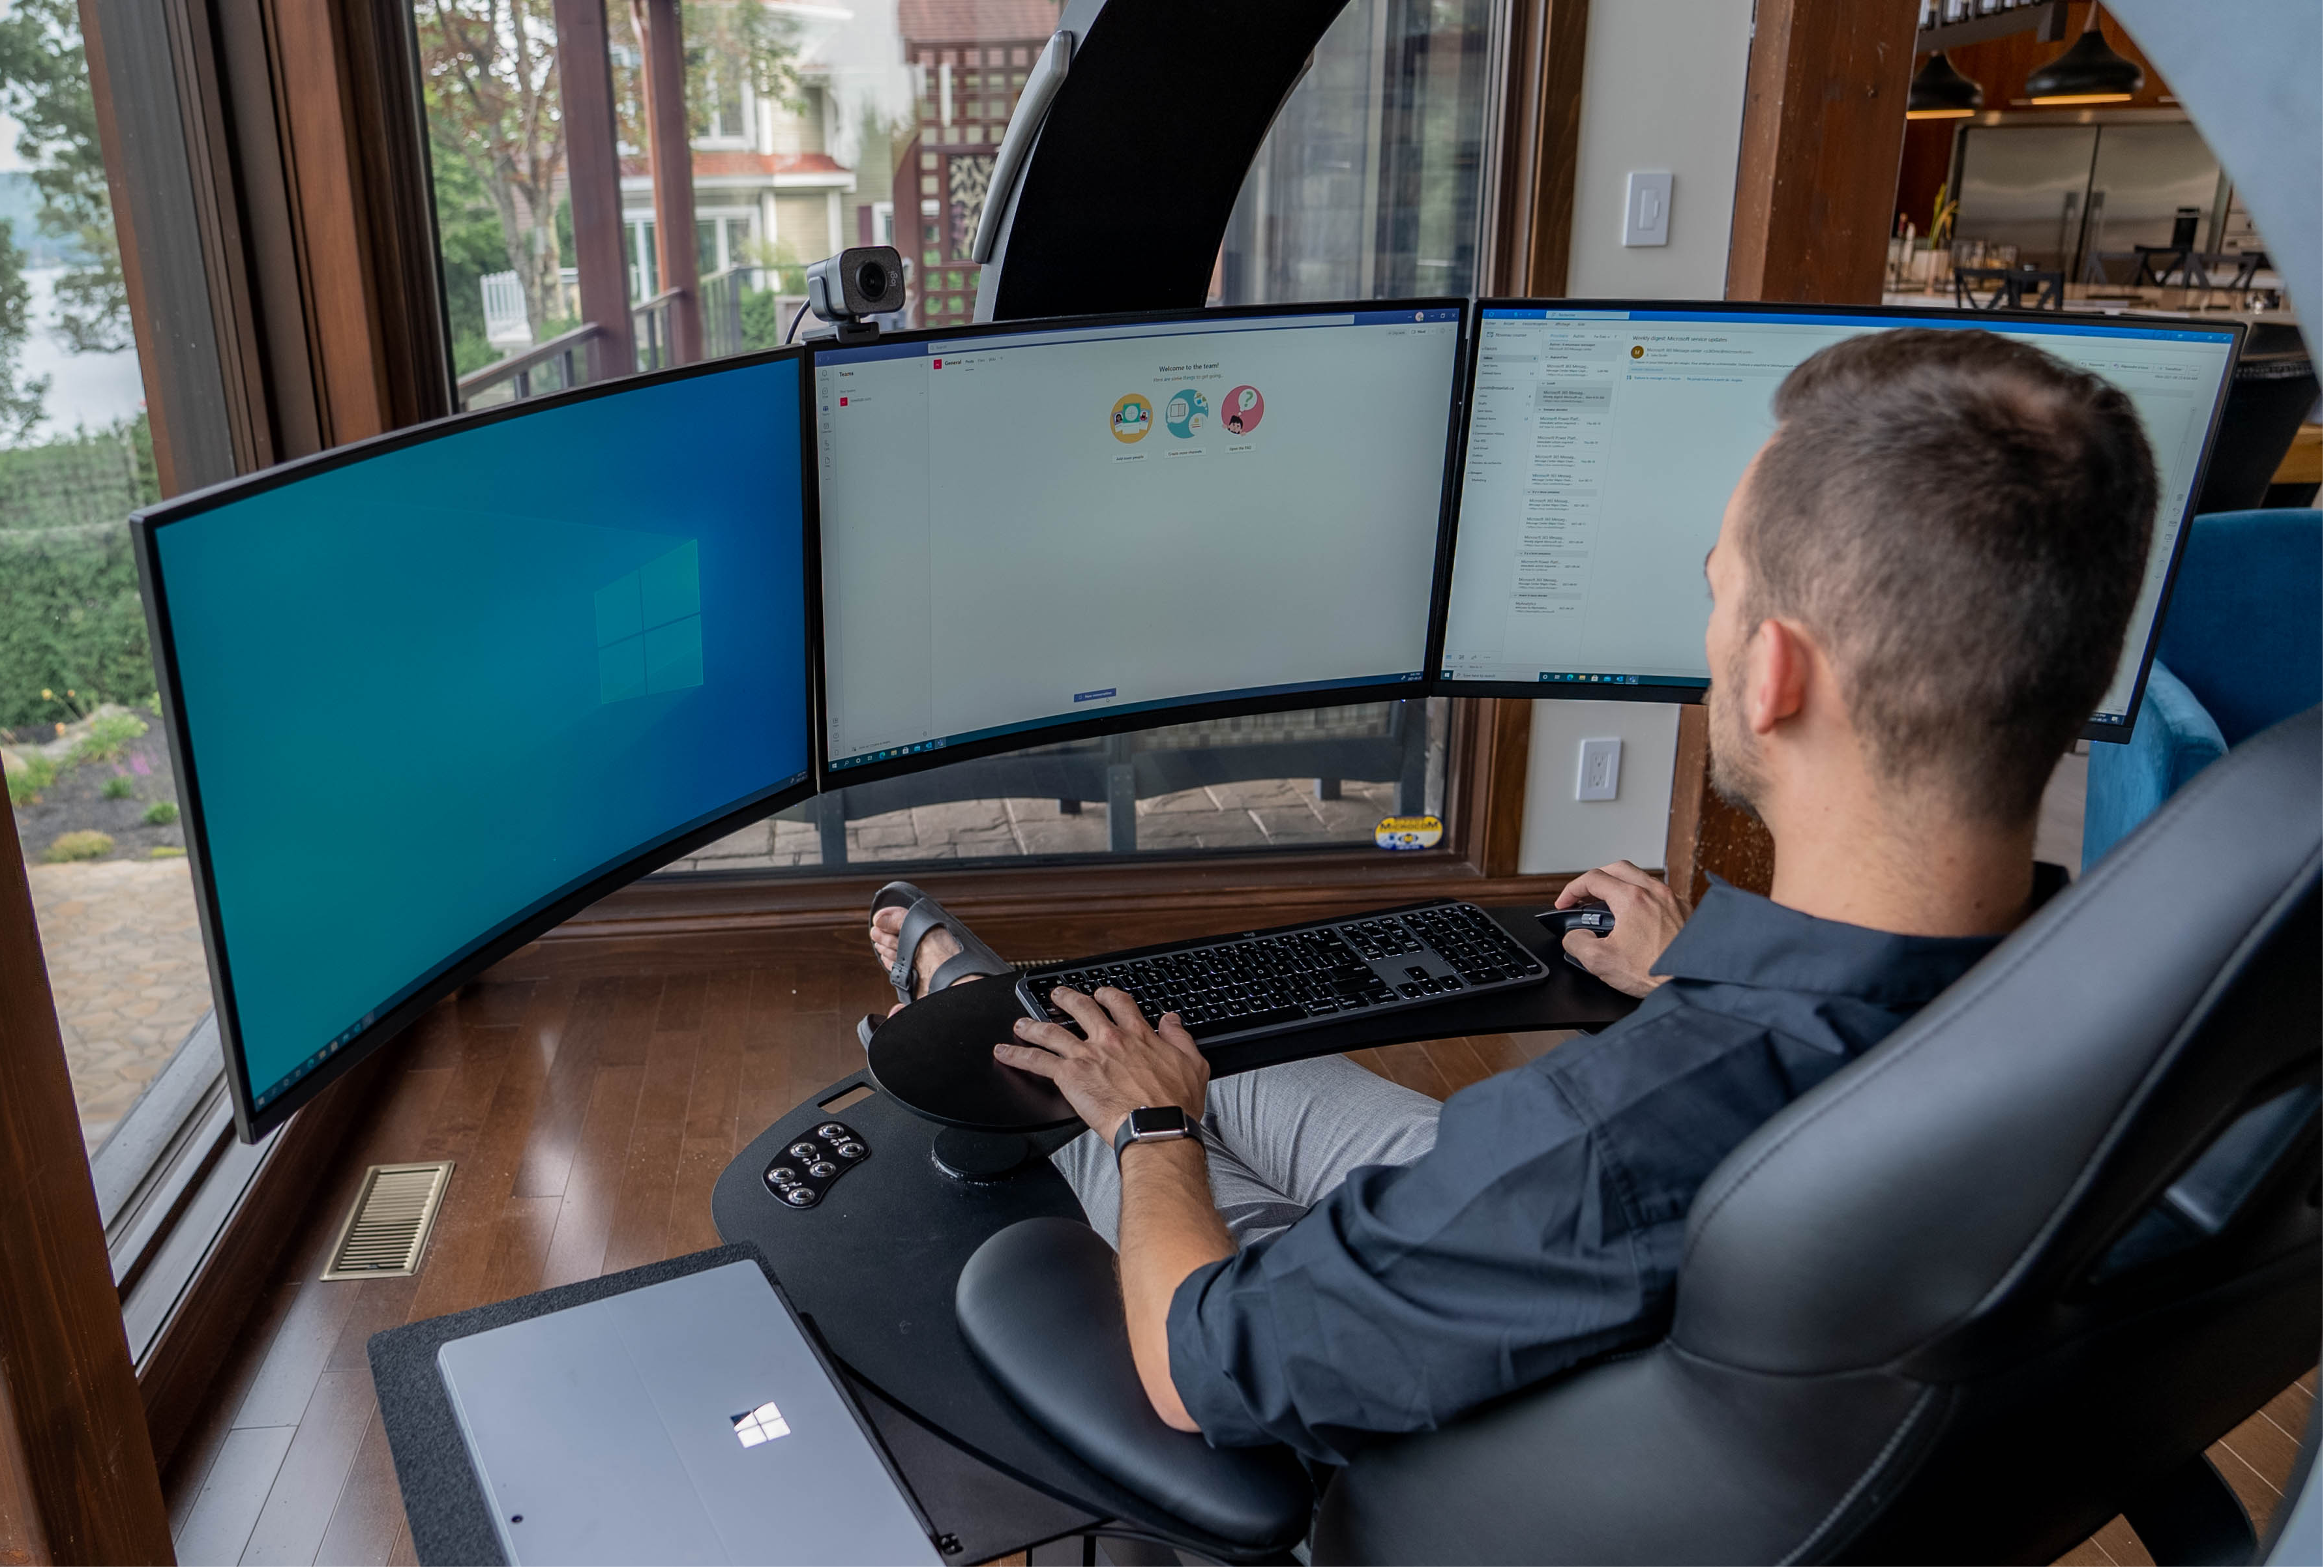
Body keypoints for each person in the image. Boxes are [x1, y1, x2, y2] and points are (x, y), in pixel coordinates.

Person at [870, 328, 2158, 1462]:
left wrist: (1153, 1140)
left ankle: (969, 992)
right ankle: (1011, 999)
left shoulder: (1604, 1140)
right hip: (1682, 1283)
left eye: (1719, 585)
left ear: (1773, 674)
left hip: (1497, 1394)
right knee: (1178, 1038)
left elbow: (1195, 1364)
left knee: (1121, 1098)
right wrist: (1690, 976)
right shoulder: (2129, 994)